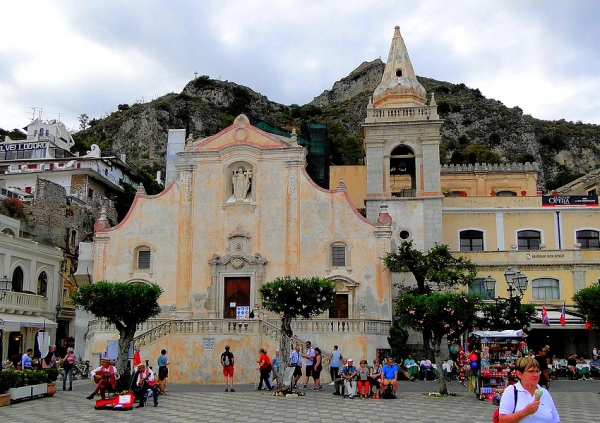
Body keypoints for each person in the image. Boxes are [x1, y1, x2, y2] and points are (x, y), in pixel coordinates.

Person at [498, 356, 560, 423]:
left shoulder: (544, 392)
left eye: (537, 371)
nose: (536, 375)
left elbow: (555, 420)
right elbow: (502, 420)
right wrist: (525, 412)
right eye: (531, 371)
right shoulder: (511, 391)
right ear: (519, 374)